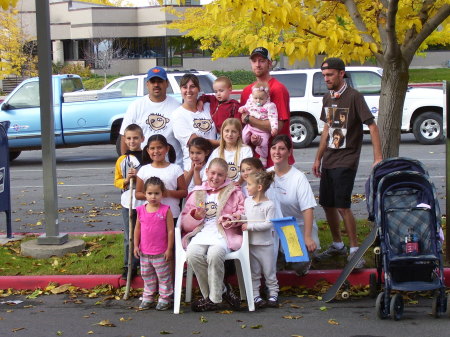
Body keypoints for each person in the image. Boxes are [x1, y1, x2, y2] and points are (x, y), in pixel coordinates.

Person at [312, 57, 382, 268]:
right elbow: (326, 129)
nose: (326, 79)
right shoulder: (327, 98)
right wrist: (318, 158)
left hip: (347, 159)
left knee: (343, 206)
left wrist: (378, 158)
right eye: (324, 75)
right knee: (327, 204)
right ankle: (337, 245)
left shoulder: (354, 97)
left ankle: (355, 250)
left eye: (330, 74)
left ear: (341, 74)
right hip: (330, 160)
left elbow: (372, 126)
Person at [180, 158, 245, 312]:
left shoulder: (234, 192)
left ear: (226, 176)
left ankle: (213, 299)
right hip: (201, 233)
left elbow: (242, 212)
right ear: (207, 171)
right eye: (213, 173)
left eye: (220, 175)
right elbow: (184, 222)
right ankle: (222, 291)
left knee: (215, 255)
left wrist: (231, 219)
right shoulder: (197, 192)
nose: (215, 178)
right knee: (192, 254)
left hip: (223, 234)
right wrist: (195, 216)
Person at [267, 134, 320, 276]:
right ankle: (280, 255)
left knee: (299, 266)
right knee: (270, 266)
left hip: (296, 228)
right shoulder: (266, 175)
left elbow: (308, 209)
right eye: (274, 148)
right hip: (273, 228)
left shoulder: (298, 178)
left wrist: (307, 237)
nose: (277, 152)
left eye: (282, 149)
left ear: (289, 152)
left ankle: (301, 257)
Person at [240, 47, 294, 167]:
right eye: (254, 61)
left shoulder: (278, 89)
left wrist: (250, 119)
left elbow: (278, 127)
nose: (257, 65)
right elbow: (242, 122)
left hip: (276, 160)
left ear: (269, 63)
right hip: (254, 160)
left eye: (262, 60)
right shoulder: (247, 91)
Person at [119, 66, 183, 168]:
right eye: (153, 81)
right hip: (144, 167)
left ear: (167, 83)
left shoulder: (177, 107)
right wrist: (125, 165)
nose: (156, 85)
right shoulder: (136, 106)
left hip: (172, 167)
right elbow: (124, 136)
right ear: (147, 84)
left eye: (160, 81)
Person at [232, 171, 279, 309]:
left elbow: (268, 224)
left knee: (269, 271)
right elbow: (247, 216)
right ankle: (255, 295)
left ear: (259, 187)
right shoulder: (247, 201)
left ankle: (273, 293)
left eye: (249, 184)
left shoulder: (269, 205)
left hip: (265, 245)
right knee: (254, 272)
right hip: (251, 245)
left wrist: (250, 227)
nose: (246, 187)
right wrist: (239, 217)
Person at [134, 177, 174, 311]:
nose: (153, 197)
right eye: (150, 193)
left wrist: (169, 249)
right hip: (145, 252)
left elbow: (170, 231)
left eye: (157, 193)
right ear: (144, 194)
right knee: (147, 276)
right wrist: (135, 245)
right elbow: (137, 229)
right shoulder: (140, 210)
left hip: (160, 253)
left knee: (164, 277)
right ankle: (148, 297)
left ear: (162, 194)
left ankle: (165, 298)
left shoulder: (165, 210)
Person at [114, 124, 145, 280]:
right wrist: (126, 180)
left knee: (144, 235)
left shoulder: (146, 157)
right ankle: (129, 265)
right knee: (129, 235)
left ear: (142, 139)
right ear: (124, 140)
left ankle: (145, 264)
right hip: (128, 202)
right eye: (129, 138)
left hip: (144, 202)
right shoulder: (122, 160)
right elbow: (117, 181)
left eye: (135, 138)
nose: (132, 141)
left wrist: (139, 176)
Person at [135, 134, 187, 223]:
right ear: (148, 150)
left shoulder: (176, 169)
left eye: (159, 147)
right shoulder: (144, 170)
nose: (156, 151)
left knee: (170, 236)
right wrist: (152, 195)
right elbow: (137, 194)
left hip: (171, 214)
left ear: (167, 149)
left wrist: (168, 193)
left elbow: (184, 192)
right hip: (150, 215)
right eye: (152, 148)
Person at [173, 74, 218, 169]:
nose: (188, 90)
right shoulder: (178, 114)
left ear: (199, 89)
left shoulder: (207, 107)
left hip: (214, 165)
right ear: (180, 90)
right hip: (193, 168)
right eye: (185, 87)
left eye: (192, 86)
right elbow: (196, 142)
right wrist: (223, 143)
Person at [239, 81, 278, 166]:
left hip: (262, 130)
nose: (258, 101)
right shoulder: (251, 102)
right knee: (244, 136)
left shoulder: (270, 106)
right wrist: (242, 109)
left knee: (264, 143)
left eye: (261, 99)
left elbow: (273, 117)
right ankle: (246, 149)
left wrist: (274, 128)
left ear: (267, 97)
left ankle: (263, 157)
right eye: (256, 98)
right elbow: (246, 107)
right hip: (250, 127)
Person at [206, 118, 253, 185]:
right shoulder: (217, 152)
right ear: (222, 132)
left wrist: (239, 183)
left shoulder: (245, 150)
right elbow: (208, 174)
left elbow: (248, 170)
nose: (230, 134)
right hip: (221, 189)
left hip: (241, 189)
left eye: (233, 131)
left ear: (239, 134)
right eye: (227, 131)